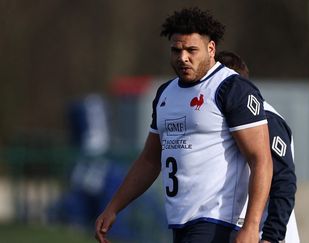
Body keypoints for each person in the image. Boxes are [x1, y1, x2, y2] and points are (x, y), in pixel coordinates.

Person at [95, 7, 273, 243]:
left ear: (211, 49)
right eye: (176, 50)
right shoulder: (165, 94)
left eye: (191, 50)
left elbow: (261, 159)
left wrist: (251, 226)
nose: (183, 57)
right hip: (180, 222)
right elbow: (149, 159)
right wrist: (113, 207)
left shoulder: (232, 89)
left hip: (217, 221)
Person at [215, 51, 300, 243]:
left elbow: (284, 181)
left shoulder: (267, 119)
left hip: (264, 235)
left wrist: (271, 237)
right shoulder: (217, 121)